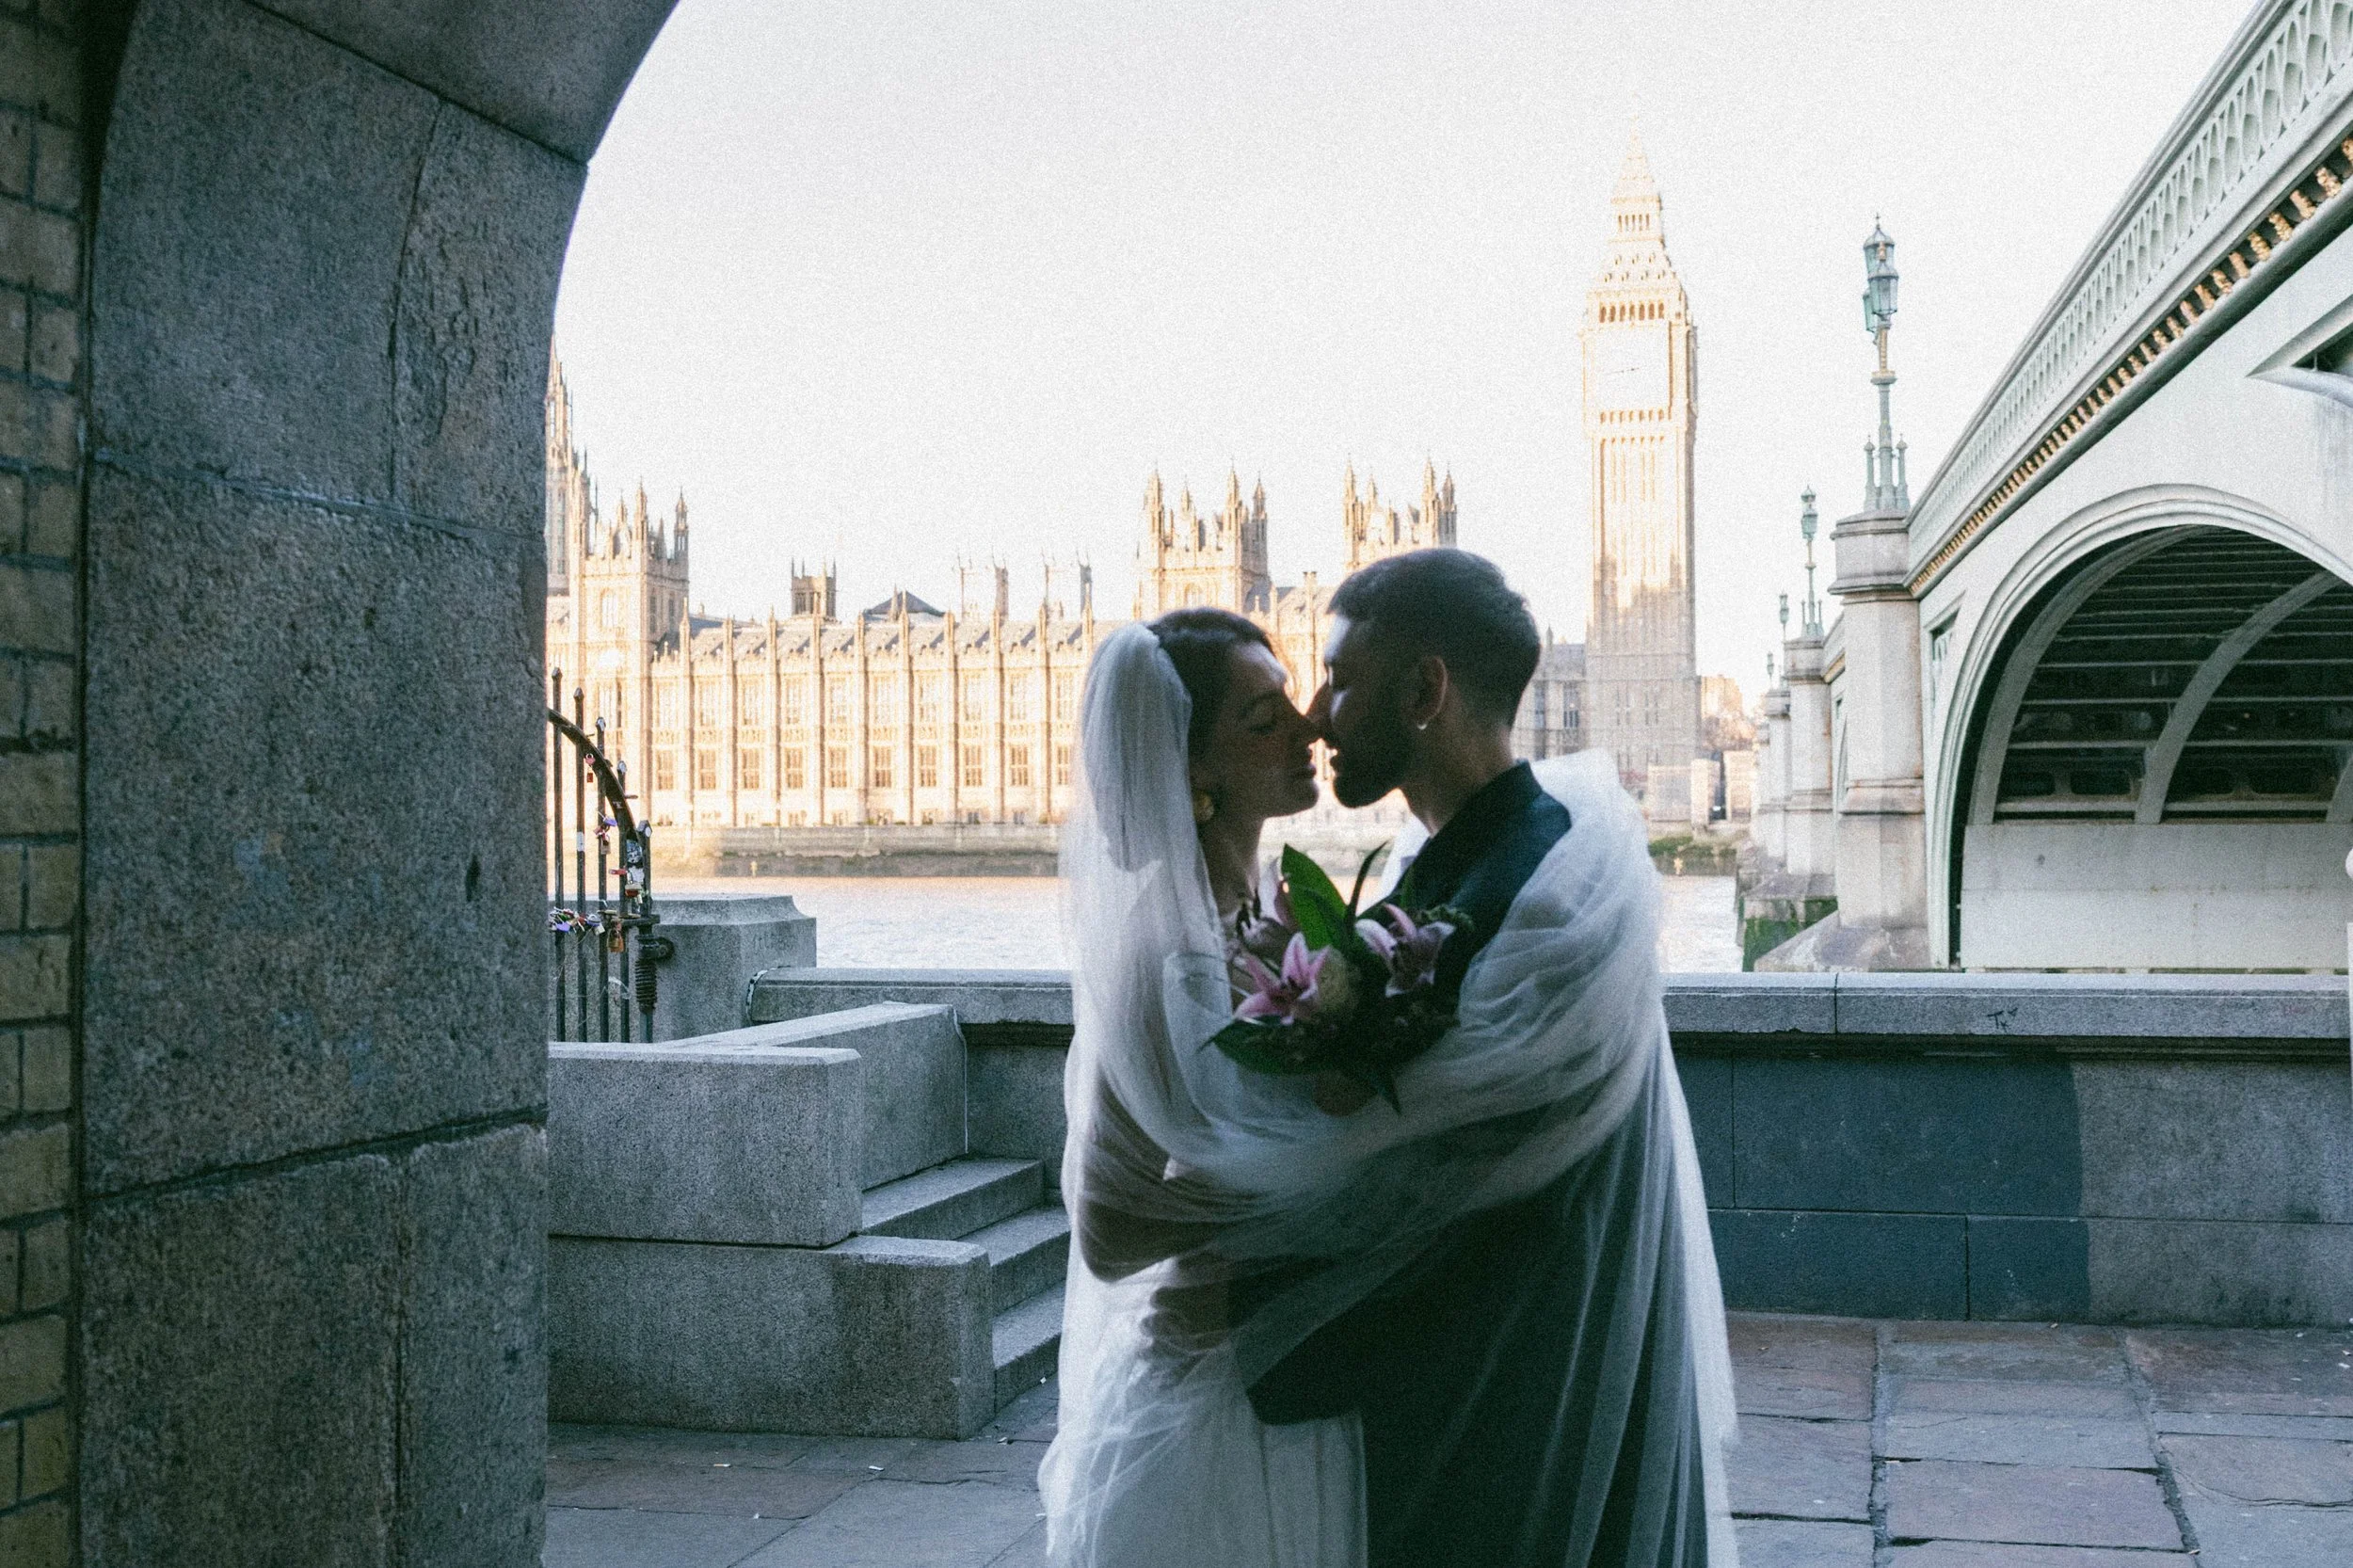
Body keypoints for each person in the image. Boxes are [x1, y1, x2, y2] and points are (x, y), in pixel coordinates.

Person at [1042, 556, 1735, 1568]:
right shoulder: (1438, 884)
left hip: (1440, 1406)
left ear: (1424, 692)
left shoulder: (1516, 890)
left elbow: (1435, 1166)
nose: (1313, 718)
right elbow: (1138, 1208)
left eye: (1331, 682)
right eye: (1269, 710)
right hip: (1289, 1390)